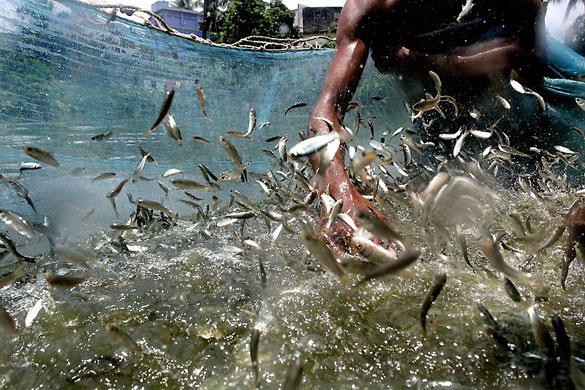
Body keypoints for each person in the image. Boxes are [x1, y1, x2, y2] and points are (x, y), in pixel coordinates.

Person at [308, 0, 545, 254]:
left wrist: (418, 60)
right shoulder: (369, 7)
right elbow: (325, 113)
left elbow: (523, 56)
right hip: (433, 131)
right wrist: (339, 195)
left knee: (529, 226)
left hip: (513, 126)